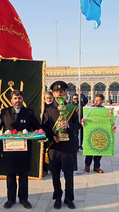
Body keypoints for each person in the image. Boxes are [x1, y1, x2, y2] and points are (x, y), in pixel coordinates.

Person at [0, 90, 41, 209]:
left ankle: (24, 199)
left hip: (24, 149)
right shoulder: (5, 112)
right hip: (9, 149)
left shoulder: (29, 112)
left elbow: (36, 125)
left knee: (23, 175)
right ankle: (10, 199)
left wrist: (38, 130)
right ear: (11, 100)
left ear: (23, 99)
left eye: (20, 98)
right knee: (10, 175)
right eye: (15, 98)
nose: (18, 100)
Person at [41, 81, 79, 209]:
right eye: (56, 92)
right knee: (55, 174)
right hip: (54, 146)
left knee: (69, 175)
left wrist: (69, 125)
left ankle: (69, 198)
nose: (59, 94)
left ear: (65, 93)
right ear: (53, 93)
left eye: (61, 91)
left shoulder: (71, 108)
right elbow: (44, 127)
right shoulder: (48, 108)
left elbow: (78, 125)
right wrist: (52, 136)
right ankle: (57, 197)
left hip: (68, 146)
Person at [84, 94, 116, 173]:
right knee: (90, 150)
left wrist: (112, 128)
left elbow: (109, 122)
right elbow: (84, 119)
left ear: (102, 101)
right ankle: (87, 165)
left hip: (100, 132)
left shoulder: (105, 111)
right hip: (91, 132)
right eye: (95, 100)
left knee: (99, 149)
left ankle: (96, 167)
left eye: (98, 100)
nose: (96, 101)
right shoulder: (90, 110)